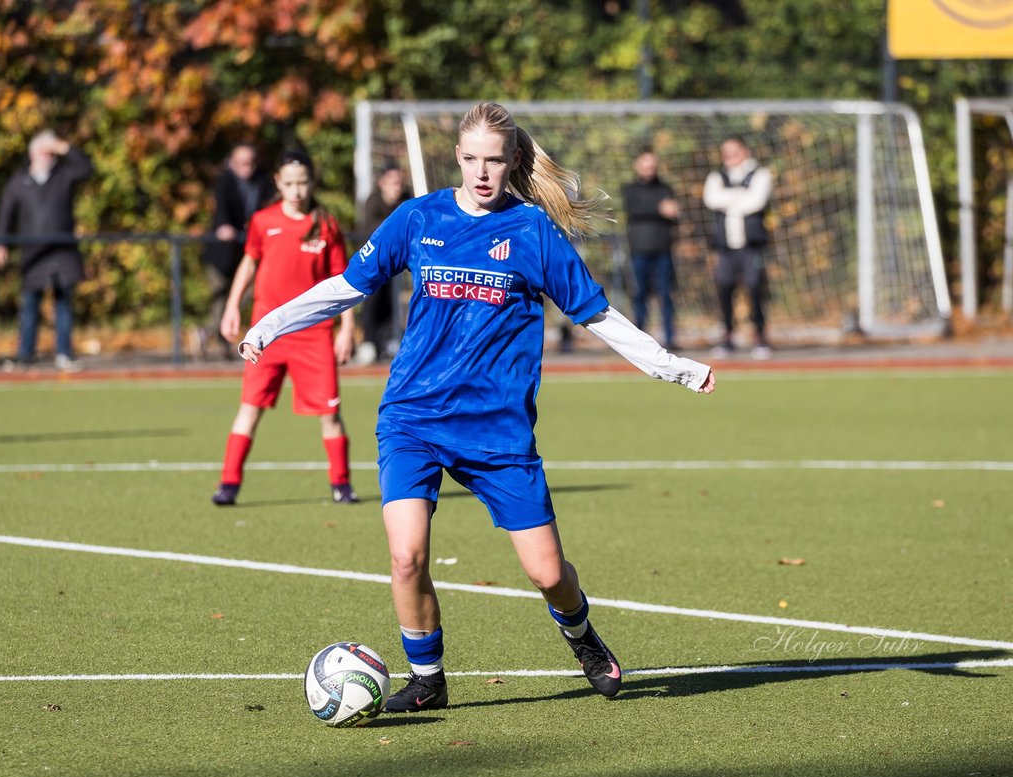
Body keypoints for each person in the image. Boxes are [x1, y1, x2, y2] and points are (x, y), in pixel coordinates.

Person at [237, 102, 716, 712]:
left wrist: (673, 366)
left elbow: (598, 316)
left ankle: (581, 635)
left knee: (548, 574)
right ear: (457, 158)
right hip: (413, 416)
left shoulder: (533, 232)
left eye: (496, 160)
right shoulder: (417, 218)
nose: (483, 172)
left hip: (497, 430)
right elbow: (346, 288)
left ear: (514, 160)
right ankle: (428, 679)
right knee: (407, 555)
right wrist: (271, 322)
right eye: (473, 159)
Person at [213, 150, 358, 507]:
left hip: (315, 332)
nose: (296, 190)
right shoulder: (263, 221)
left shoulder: (325, 224)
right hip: (267, 332)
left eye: (303, 182)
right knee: (250, 407)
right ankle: (228, 484)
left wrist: (346, 328)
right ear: (278, 182)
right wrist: (233, 306)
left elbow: (346, 281)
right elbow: (249, 263)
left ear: (312, 182)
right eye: (289, 183)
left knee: (330, 412)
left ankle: (341, 484)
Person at [0, 130, 93, 371]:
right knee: (29, 304)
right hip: (33, 253)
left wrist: (63, 147)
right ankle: (25, 354)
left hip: (62, 251)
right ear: (33, 153)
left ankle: (64, 354)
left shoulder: (64, 175)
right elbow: (5, 214)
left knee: (63, 303)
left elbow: (87, 168)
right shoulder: (19, 181)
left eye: (51, 152)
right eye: (44, 151)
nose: (48, 157)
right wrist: (0, 243)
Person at [200, 143, 274, 360]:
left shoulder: (263, 181)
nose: (247, 167)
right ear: (232, 162)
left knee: (244, 294)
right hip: (221, 254)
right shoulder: (224, 181)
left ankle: (211, 334)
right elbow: (221, 209)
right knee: (220, 296)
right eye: (242, 162)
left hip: (245, 253)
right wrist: (224, 225)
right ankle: (213, 334)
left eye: (251, 162)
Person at [703, 135, 773, 360]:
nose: (729, 156)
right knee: (724, 289)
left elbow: (756, 202)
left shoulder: (760, 174)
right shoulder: (717, 176)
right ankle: (727, 337)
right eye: (725, 152)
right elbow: (712, 200)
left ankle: (760, 337)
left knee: (755, 289)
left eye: (734, 151)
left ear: (745, 151)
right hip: (725, 248)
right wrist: (740, 198)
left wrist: (729, 201)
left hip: (751, 247)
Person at [352, 164, 412, 366]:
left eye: (399, 182)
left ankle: (390, 341)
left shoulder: (406, 201)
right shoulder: (373, 202)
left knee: (393, 304)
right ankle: (369, 343)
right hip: (375, 262)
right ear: (382, 183)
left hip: (399, 262)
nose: (397, 187)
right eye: (393, 182)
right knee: (372, 301)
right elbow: (375, 233)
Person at [623, 150, 680, 350]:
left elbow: (674, 213)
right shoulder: (630, 189)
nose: (649, 170)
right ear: (638, 166)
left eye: (652, 166)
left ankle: (670, 337)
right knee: (639, 294)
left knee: (665, 294)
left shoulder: (665, 188)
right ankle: (639, 337)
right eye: (646, 165)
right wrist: (659, 209)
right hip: (639, 250)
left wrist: (670, 212)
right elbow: (635, 209)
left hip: (663, 250)